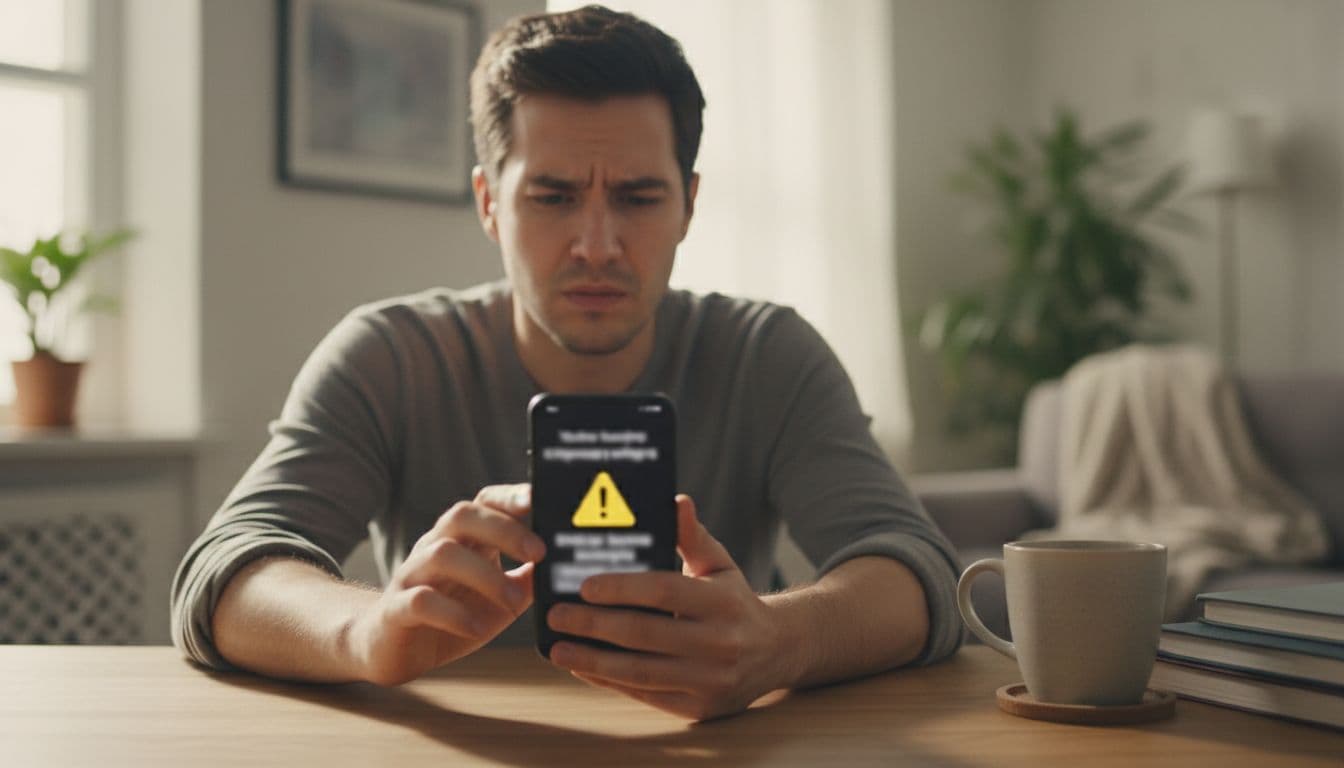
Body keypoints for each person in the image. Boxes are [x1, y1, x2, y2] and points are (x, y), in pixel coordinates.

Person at [171, 4, 962, 721]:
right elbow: (227, 571)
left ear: (689, 203)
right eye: (551, 197)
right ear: (488, 203)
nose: (596, 245)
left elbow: (918, 572)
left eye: (638, 197)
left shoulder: (767, 355)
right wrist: (366, 631)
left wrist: (776, 640)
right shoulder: (391, 357)